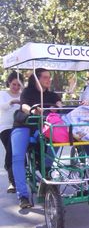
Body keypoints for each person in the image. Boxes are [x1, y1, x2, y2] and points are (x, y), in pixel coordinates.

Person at [11, 68, 62, 209]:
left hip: (41, 128)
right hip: (24, 125)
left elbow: (59, 104)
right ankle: (23, 195)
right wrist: (33, 110)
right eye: (45, 77)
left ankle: (46, 167)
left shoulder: (52, 95)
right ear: (36, 79)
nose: (48, 79)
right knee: (18, 157)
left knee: (58, 139)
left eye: (49, 77)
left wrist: (58, 107)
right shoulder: (28, 92)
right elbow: (24, 105)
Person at [0, 71, 23, 193]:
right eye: (14, 84)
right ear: (9, 82)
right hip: (6, 127)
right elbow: (2, 106)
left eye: (19, 85)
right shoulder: (3, 94)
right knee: (11, 149)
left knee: (20, 152)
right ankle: (11, 181)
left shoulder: (23, 95)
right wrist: (12, 102)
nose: (16, 87)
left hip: (20, 126)